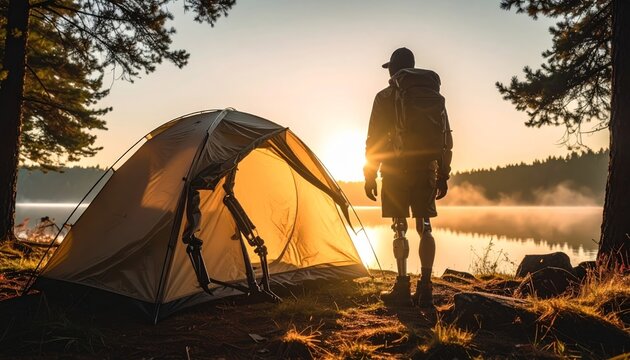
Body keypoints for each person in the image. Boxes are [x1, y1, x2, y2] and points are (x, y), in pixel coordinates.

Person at [364, 47, 453, 307]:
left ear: (392, 69)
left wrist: (370, 174)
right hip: (426, 166)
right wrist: (443, 173)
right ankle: (426, 286)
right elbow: (445, 137)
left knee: (399, 225)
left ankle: (402, 286)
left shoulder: (384, 97)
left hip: (395, 169)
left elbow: (374, 139)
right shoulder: (432, 95)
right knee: (425, 225)